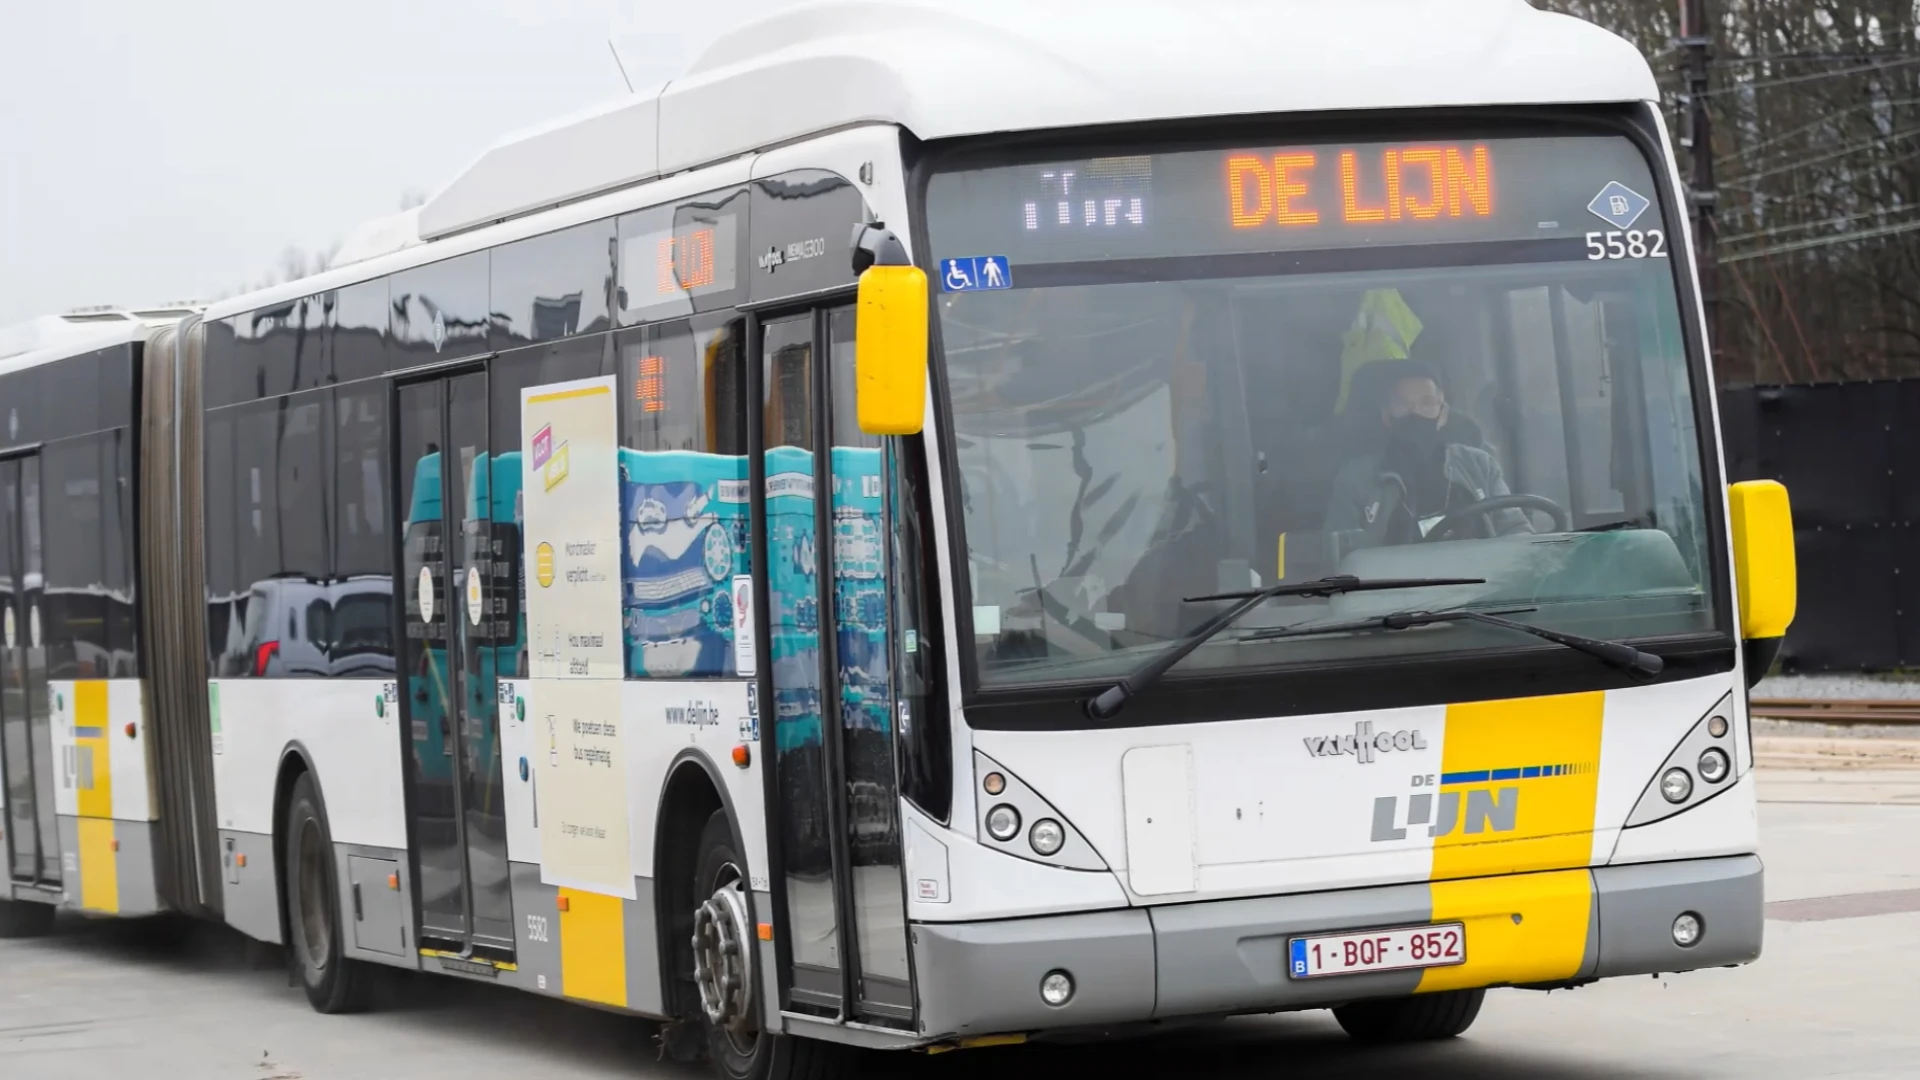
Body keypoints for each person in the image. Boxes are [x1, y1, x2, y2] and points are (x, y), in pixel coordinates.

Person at [1323, 363, 1531, 548]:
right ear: (1386, 415)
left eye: (1426, 403)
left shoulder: (1481, 465)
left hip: (1486, 587)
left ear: (1443, 414)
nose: (1415, 413)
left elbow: (1517, 534)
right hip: (1390, 589)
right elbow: (1338, 554)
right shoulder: (1355, 479)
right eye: (1403, 404)